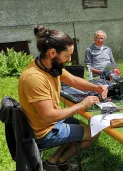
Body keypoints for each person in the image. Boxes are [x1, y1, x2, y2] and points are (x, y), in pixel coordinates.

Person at [18, 25, 108, 171]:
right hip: (44, 131)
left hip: (51, 123)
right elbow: (49, 116)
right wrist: (81, 105)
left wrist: (96, 87)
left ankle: (53, 162)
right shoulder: (34, 78)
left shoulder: (50, 66)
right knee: (94, 132)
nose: (70, 59)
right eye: (67, 56)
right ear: (53, 52)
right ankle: (60, 163)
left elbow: (73, 80)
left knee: (87, 128)